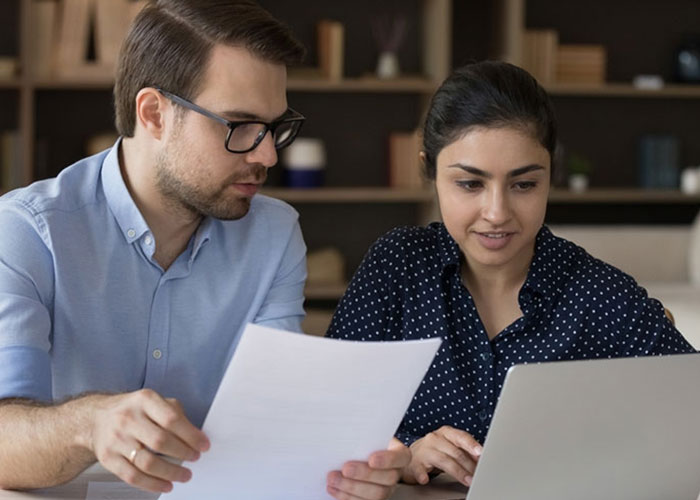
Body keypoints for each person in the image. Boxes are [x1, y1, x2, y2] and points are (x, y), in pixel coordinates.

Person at [0, 1, 408, 498]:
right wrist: (92, 424)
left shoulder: (274, 236)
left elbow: (278, 421)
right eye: (239, 126)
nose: (267, 155)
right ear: (153, 113)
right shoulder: (28, 232)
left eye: (274, 127)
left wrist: (350, 461)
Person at [326, 60, 696, 488]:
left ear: (550, 176)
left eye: (524, 185)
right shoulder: (398, 266)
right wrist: (403, 455)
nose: (497, 214)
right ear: (430, 171)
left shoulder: (599, 292)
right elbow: (328, 421)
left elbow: (689, 408)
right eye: (470, 184)